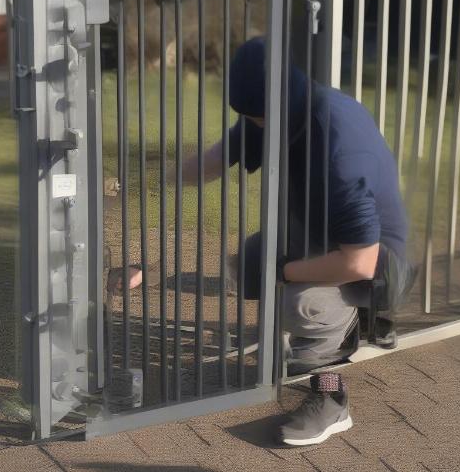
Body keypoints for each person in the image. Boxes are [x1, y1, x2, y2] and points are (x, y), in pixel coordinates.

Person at [111, 37, 412, 446]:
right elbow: (217, 160)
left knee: (299, 301)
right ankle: (332, 323)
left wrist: (285, 271)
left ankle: (330, 390)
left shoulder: (341, 151)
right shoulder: (277, 110)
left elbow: (359, 261)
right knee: (249, 266)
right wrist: (145, 179)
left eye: (257, 117)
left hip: (376, 262)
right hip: (316, 237)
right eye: (248, 117)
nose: (253, 125)